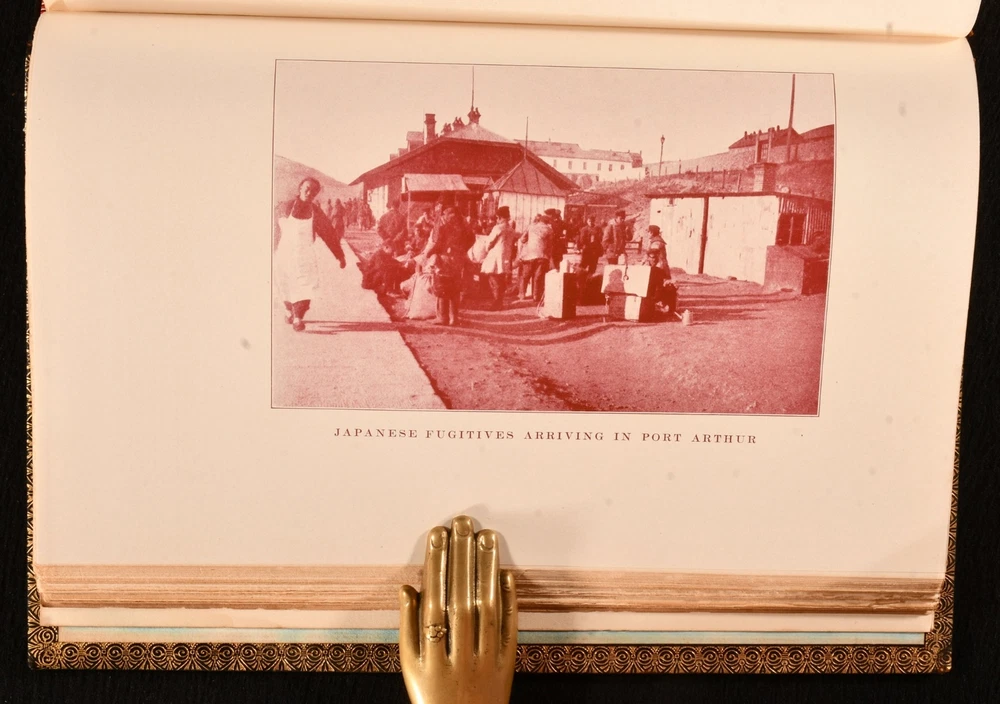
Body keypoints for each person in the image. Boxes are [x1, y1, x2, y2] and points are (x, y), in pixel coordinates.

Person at [273, 176, 346, 332]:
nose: (309, 193)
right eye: (307, 189)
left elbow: (328, 233)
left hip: (304, 256)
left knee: (305, 285)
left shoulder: (315, 212)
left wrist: (340, 255)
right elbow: (274, 230)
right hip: (284, 255)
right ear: (300, 188)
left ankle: (298, 318)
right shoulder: (285, 207)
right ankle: (289, 311)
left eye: (313, 192)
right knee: (284, 285)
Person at [426, 207, 468, 325]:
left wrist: (428, 253)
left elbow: (437, 244)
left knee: (442, 288)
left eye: (445, 215)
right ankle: (454, 318)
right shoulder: (463, 229)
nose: (443, 217)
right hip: (458, 261)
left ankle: (443, 317)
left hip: (445, 261)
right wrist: (460, 251)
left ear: (449, 216)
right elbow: (471, 239)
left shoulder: (443, 228)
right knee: (455, 289)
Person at [480, 206, 516, 311]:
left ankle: (497, 302)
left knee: (493, 279)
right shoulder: (511, 229)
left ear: (499, 217)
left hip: (495, 256)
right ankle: (499, 301)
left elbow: (489, 242)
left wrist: (487, 249)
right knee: (501, 279)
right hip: (506, 256)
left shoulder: (498, 228)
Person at [519, 214, 553, 303]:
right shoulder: (549, 229)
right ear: (547, 222)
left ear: (539, 221)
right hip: (542, 256)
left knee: (525, 275)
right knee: (538, 276)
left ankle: (522, 294)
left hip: (529, 254)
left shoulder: (531, 227)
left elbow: (522, 239)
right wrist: (549, 256)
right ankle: (536, 295)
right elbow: (550, 245)